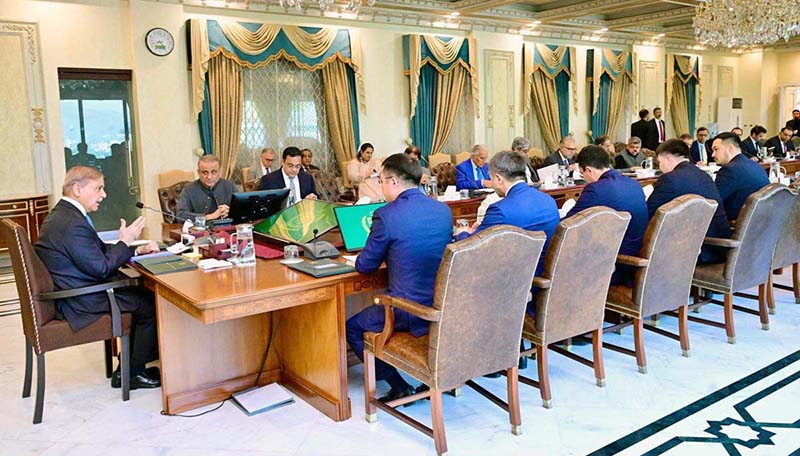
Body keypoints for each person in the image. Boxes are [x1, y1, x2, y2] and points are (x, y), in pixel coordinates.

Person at [34, 166, 161, 389]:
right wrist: (125, 242)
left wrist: (135, 249)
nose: (103, 195)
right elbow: (101, 267)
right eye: (98, 188)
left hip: (76, 290)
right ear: (77, 189)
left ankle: (128, 368)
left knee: (141, 292)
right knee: (149, 302)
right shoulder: (71, 223)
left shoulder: (64, 215)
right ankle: (133, 373)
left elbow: (97, 252)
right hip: (81, 300)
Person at [345, 154, 452, 402]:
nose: (382, 186)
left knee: (352, 327)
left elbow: (365, 266)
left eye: (381, 181)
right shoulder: (443, 210)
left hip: (406, 310)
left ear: (393, 182)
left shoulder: (385, 215)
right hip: (441, 306)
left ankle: (398, 385)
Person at [454, 150, 559, 316]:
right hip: (549, 280)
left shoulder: (499, 209)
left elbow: (471, 248)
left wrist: (462, 233)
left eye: (491, 178)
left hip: (514, 288)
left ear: (498, 178)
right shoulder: (549, 201)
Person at [568, 145, 648, 286]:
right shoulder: (634, 184)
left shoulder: (595, 189)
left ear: (589, 170)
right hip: (639, 257)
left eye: (582, 174)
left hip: (615, 265)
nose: (584, 178)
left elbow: (569, 223)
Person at [647, 139, 730, 264]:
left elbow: (650, 214)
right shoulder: (704, 175)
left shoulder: (669, 179)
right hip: (718, 247)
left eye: (660, 162)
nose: (660, 167)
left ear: (668, 158)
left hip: (694, 252)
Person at [712, 132, 770, 221]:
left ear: (730, 148)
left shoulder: (729, 170)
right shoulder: (756, 165)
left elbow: (712, 201)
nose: (713, 155)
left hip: (738, 224)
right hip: (761, 222)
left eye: (716, 149)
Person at [176, 155, 236, 222]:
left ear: (220, 172)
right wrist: (209, 217)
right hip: (200, 228)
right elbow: (181, 215)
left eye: (213, 172)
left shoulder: (230, 186)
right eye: (205, 173)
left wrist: (230, 212)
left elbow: (242, 210)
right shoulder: (188, 189)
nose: (209, 177)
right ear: (198, 173)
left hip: (226, 226)